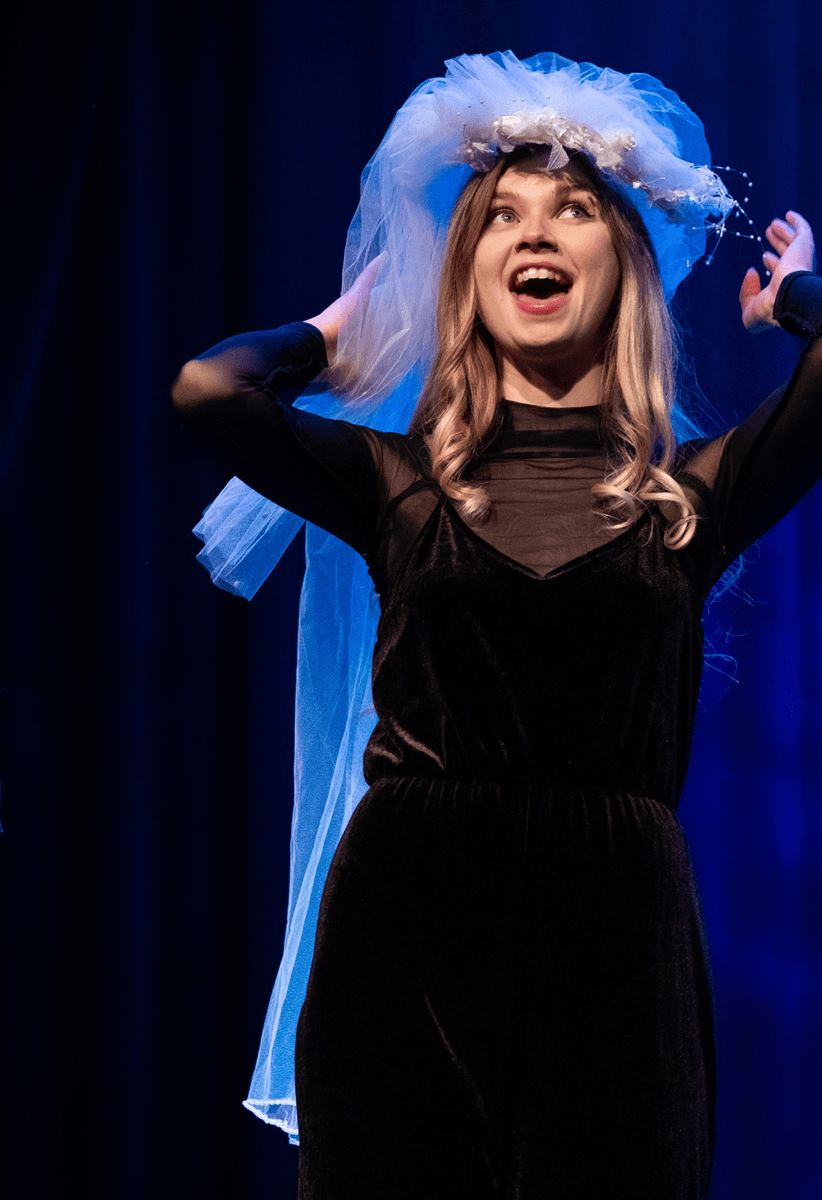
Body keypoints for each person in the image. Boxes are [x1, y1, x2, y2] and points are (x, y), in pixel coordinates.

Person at [173, 51, 822, 1198]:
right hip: (408, 918)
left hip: (616, 928)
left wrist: (794, 307)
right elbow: (209, 395)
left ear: (623, 266)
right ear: (463, 272)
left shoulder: (690, 498)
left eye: (574, 210)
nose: (535, 233)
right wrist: (336, 330)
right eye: (501, 216)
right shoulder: (399, 484)